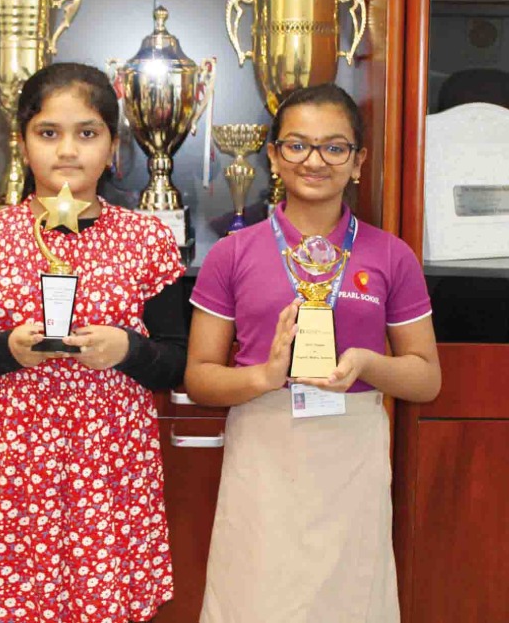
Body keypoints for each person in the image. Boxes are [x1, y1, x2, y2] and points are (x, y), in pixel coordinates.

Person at [0, 62, 188, 623]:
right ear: (21, 143)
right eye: (48, 133)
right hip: (9, 476)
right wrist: (2, 351)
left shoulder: (147, 239)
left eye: (87, 133)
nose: (68, 150)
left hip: (109, 476)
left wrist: (128, 351)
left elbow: (181, 362)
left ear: (113, 146)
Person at [185, 84, 441, 623]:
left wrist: (367, 365)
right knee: (255, 597)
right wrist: (265, 375)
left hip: (352, 450)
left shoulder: (392, 256)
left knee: (350, 599)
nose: (315, 161)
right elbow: (202, 379)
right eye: (298, 145)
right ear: (274, 155)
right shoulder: (232, 254)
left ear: (358, 161)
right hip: (265, 448)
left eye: (334, 147)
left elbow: (425, 379)